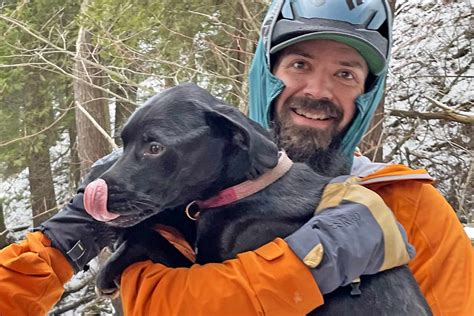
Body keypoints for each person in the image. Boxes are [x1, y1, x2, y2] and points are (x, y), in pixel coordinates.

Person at [0, 0, 472, 315]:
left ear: (366, 97)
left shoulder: (408, 205)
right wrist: (299, 267)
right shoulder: (172, 183)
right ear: (264, 74)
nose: (318, 91)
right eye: (299, 65)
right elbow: (156, 306)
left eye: (346, 74)